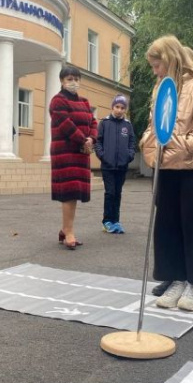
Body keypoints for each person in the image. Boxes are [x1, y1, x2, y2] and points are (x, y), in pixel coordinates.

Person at [140, 36, 193, 311]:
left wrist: (187, 144)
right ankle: (175, 278)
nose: (155, 71)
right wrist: (147, 141)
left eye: (157, 65)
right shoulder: (160, 89)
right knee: (167, 227)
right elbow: (155, 124)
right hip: (164, 168)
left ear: (171, 58)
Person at [49, 65, 97, 250]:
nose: (73, 82)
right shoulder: (57, 101)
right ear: (62, 81)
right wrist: (83, 141)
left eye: (76, 79)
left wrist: (91, 139)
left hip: (81, 152)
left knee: (74, 194)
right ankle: (69, 233)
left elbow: (93, 122)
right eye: (69, 79)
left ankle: (65, 229)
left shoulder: (84, 102)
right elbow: (65, 124)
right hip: (65, 152)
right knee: (68, 193)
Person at [95, 94, 136, 234]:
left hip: (122, 166)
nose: (119, 110)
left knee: (118, 193)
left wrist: (129, 156)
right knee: (110, 193)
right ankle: (107, 221)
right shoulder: (105, 123)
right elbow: (98, 141)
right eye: (117, 107)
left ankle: (116, 221)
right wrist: (102, 155)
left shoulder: (127, 125)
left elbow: (132, 143)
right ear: (112, 107)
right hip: (108, 166)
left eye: (122, 108)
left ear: (125, 110)